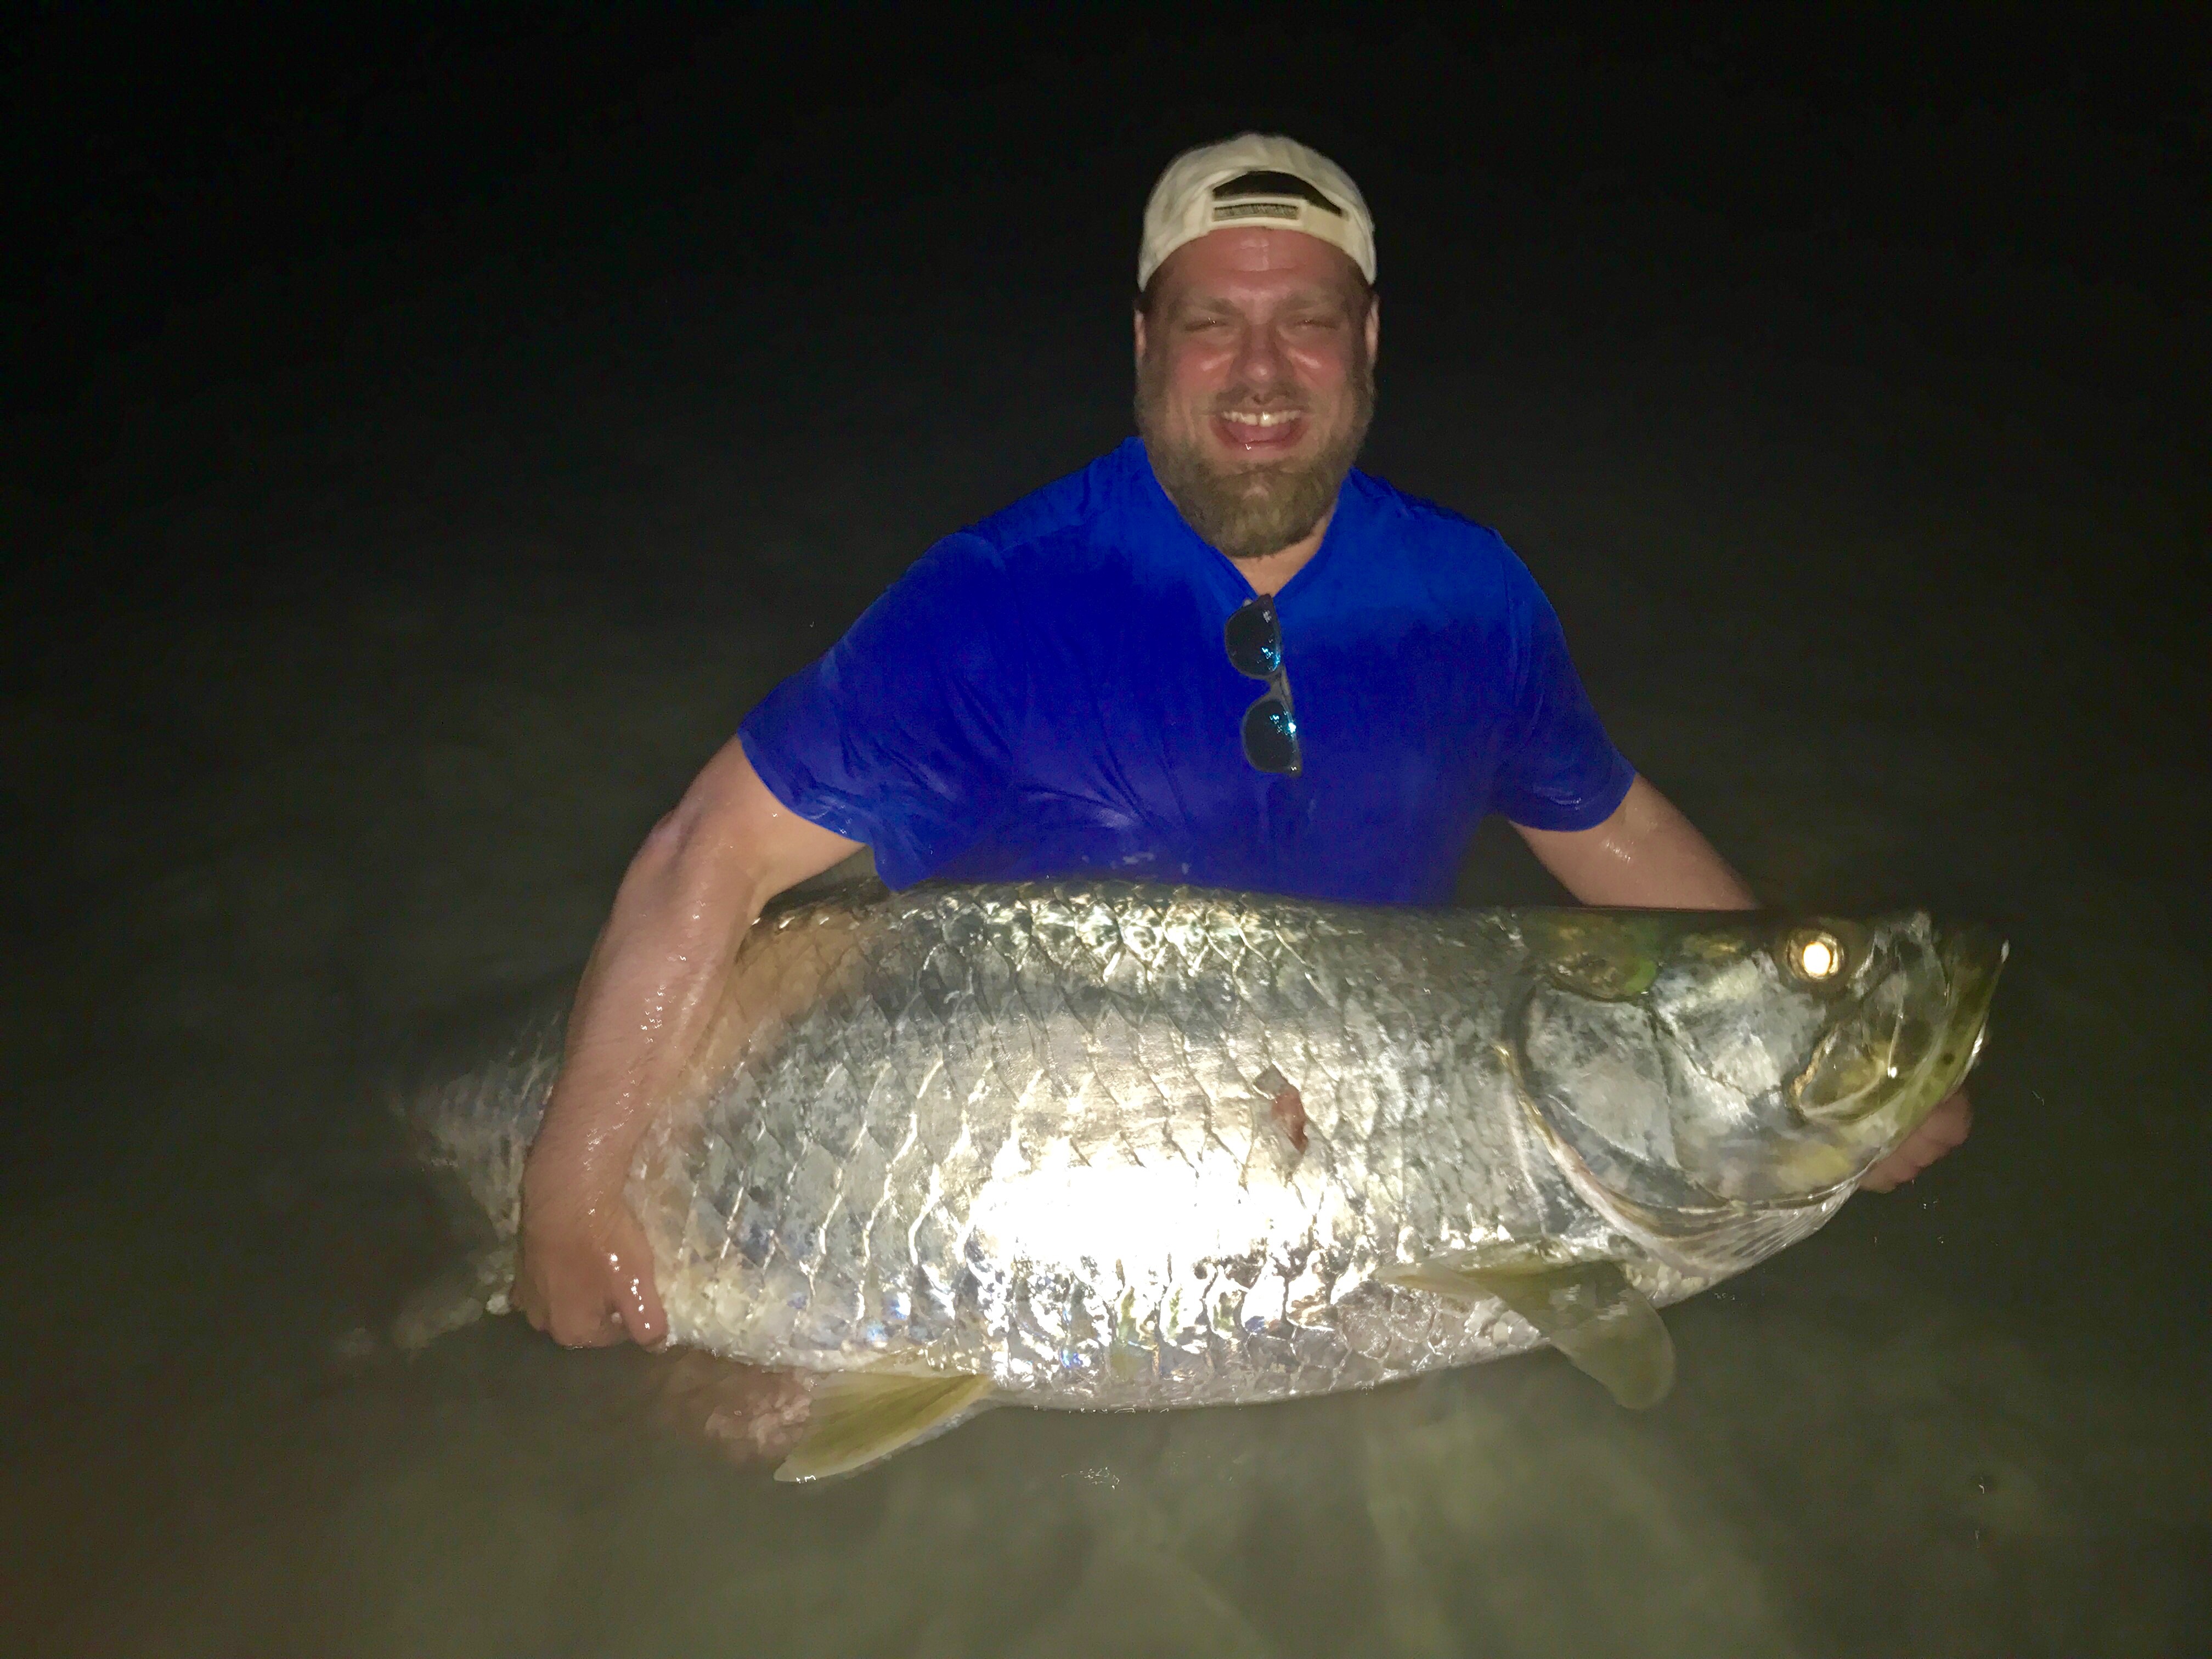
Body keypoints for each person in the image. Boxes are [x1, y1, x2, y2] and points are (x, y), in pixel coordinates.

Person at [516, 134, 1970, 1350]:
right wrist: (571, 1199)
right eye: (1213, 321)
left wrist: (1821, 1031)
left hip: (1363, 1158)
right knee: (730, 1422)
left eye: (1309, 321)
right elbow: (703, 858)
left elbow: (1622, 842)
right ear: (1148, 345)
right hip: (962, 1137)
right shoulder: (997, 602)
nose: (1261, 367)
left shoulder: (1473, 600)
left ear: (1370, 344)